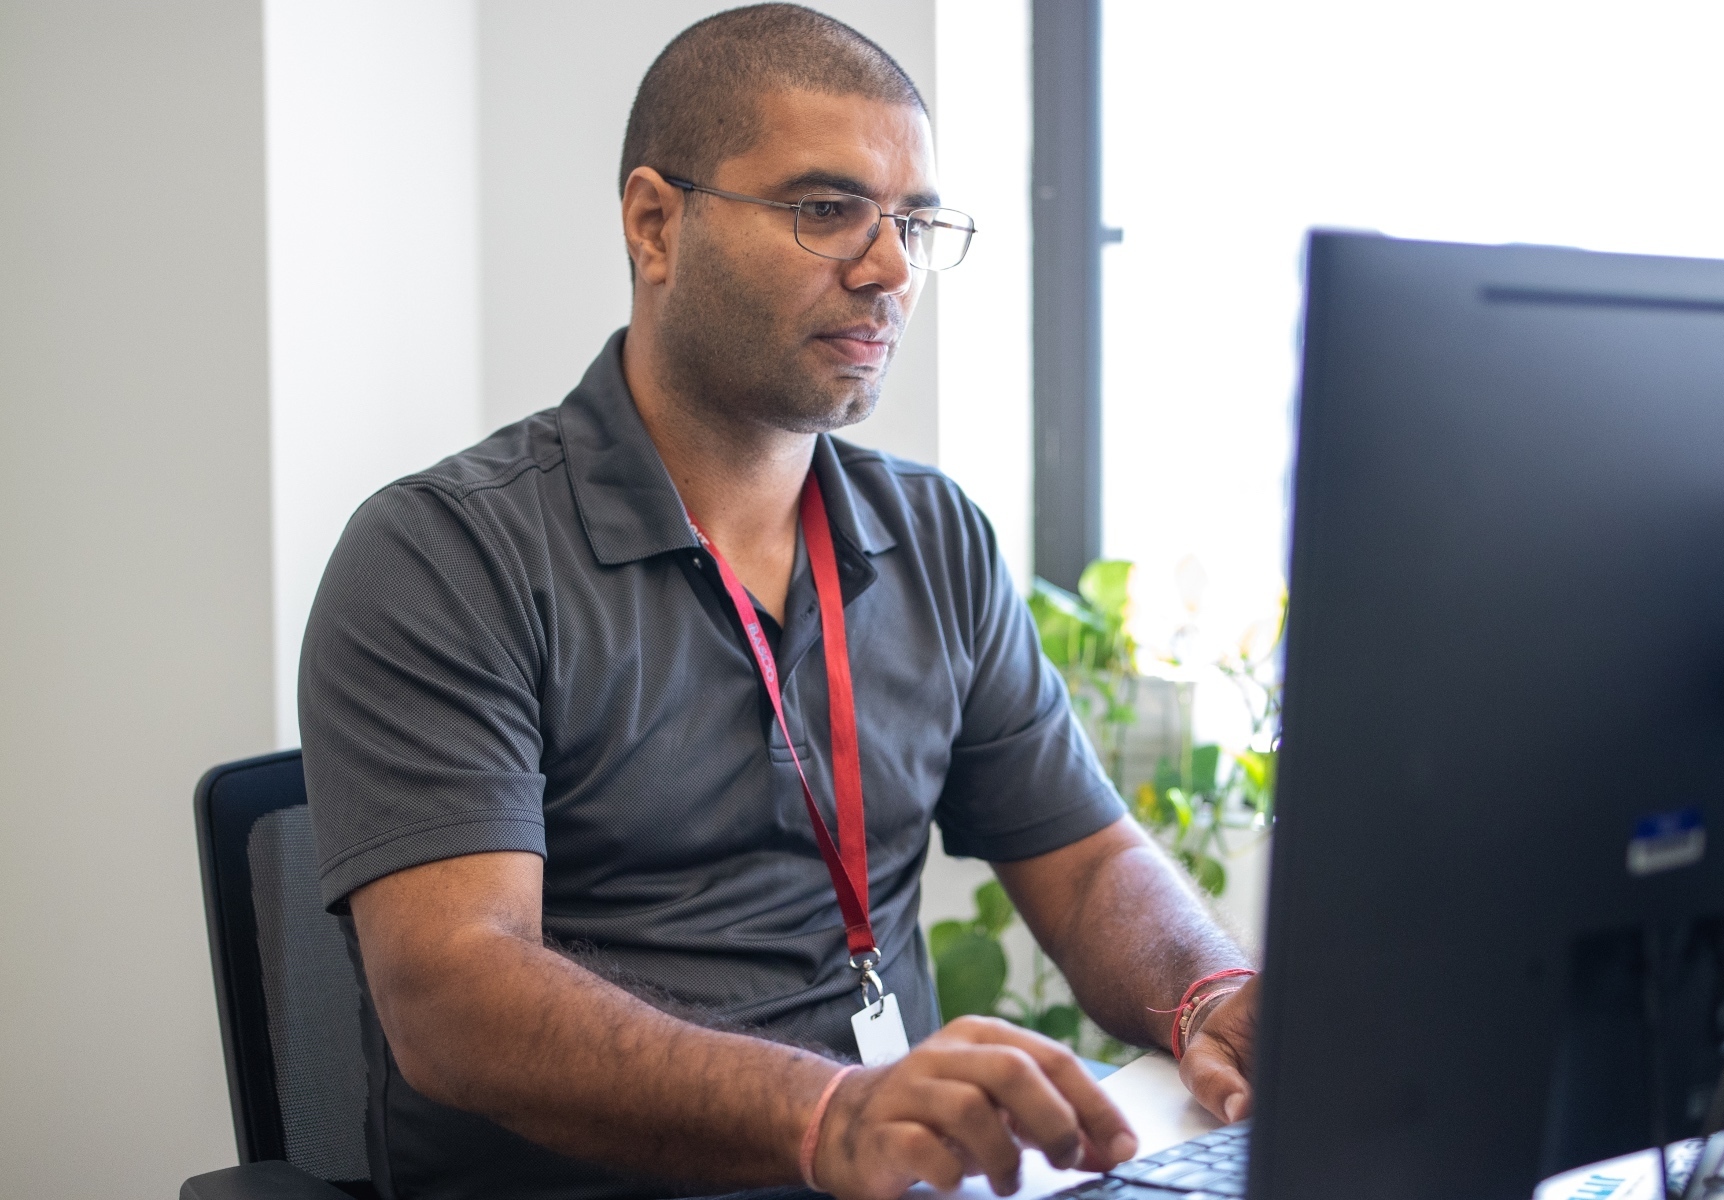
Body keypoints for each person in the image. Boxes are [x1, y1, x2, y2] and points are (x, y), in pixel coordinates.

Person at [299, 6, 1258, 1200]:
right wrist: (830, 1113)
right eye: (825, 210)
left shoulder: (932, 536)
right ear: (656, 223)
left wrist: (1212, 993)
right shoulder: (445, 555)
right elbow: (452, 991)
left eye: (912, 220)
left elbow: (1089, 865)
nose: (890, 267)